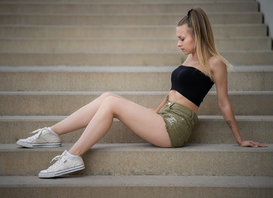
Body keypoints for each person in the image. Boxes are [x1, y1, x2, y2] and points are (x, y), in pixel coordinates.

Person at [16, 7, 267, 178]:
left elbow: (223, 103)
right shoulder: (189, 58)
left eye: (182, 38)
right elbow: (172, 91)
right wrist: (154, 111)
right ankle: (52, 133)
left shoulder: (214, 63)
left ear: (197, 35)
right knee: (107, 97)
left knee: (111, 105)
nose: (178, 43)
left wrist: (239, 139)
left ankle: (73, 156)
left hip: (177, 126)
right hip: (165, 117)